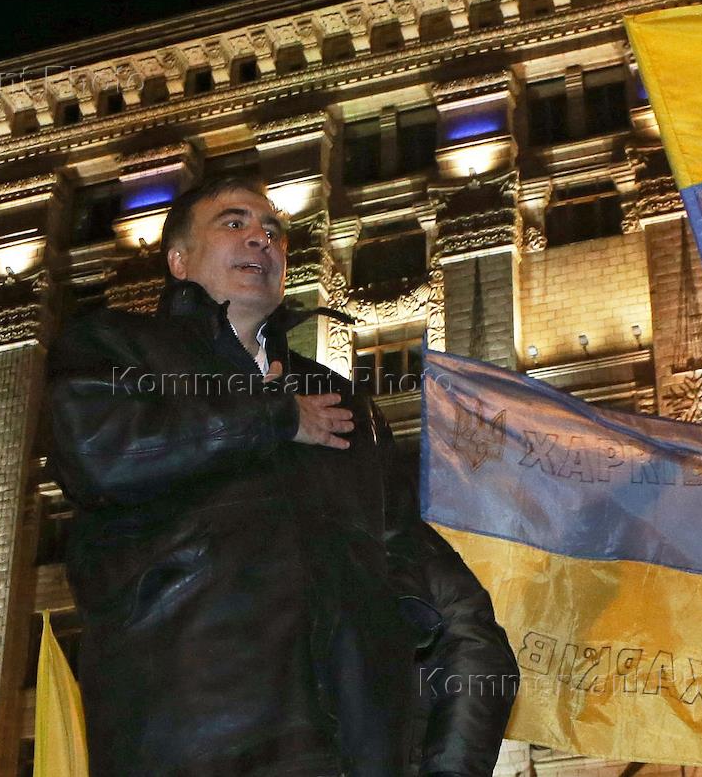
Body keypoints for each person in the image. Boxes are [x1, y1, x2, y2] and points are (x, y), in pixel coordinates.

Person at [47, 176, 518, 777]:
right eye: (234, 223)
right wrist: (273, 417)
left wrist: (449, 767)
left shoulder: (344, 407)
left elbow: (460, 617)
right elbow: (98, 452)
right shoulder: (115, 345)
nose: (261, 239)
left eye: (273, 230)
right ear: (179, 260)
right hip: (193, 747)